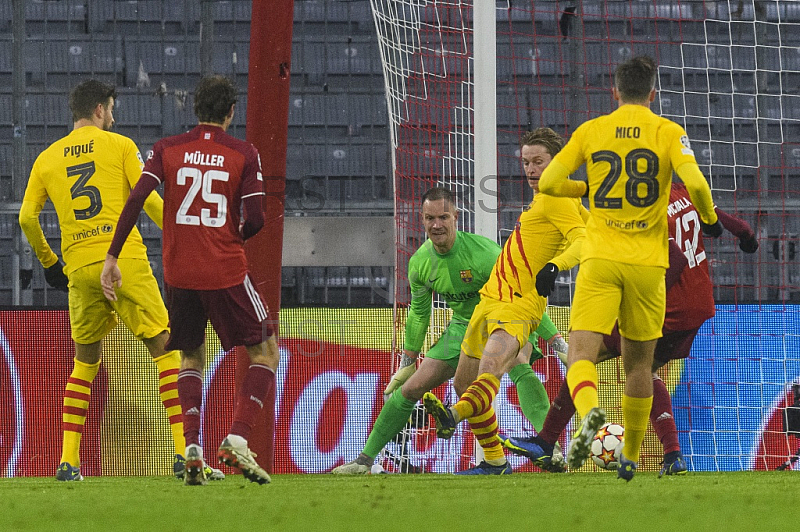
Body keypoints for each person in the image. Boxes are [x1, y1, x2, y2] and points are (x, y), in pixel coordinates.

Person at [17, 79, 222, 482]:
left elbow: (26, 217)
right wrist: (184, 234)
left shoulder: (46, 159)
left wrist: (49, 261)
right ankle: (183, 453)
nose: (113, 116)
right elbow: (146, 198)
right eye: (110, 109)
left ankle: (68, 461)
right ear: (98, 109)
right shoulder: (121, 146)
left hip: (78, 266)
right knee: (167, 350)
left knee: (84, 364)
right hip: (122, 259)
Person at [538, 55, 722, 481]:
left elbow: (548, 183)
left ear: (614, 91)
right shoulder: (668, 131)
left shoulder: (591, 131)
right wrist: (709, 220)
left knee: (581, 355)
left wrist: (588, 186)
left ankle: (590, 420)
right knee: (640, 368)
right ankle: (632, 455)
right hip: (648, 266)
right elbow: (695, 184)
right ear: (653, 93)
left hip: (602, 260)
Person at [504, 182, 759, 476]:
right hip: (699, 302)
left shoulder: (640, 204)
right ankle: (673, 455)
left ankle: (547, 441)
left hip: (667, 305)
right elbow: (722, 219)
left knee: (582, 357)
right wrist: (746, 235)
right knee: (644, 370)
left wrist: (646, 298)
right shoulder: (681, 189)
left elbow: (674, 257)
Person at [101, 75, 279, 486]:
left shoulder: (167, 149)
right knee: (266, 351)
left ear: (194, 109)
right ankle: (237, 436)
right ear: (231, 112)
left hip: (179, 272)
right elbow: (256, 219)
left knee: (190, 356)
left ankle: (193, 447)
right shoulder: (243, 152)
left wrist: (112, 255)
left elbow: (135, 198)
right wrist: (229, 235)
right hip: (224, 268)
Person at [331, 186, 568, 474]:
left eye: (443, 217)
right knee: (415, 387)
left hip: (507, 318)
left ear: (456, 217)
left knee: (517, 362)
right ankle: (364, 462)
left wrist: (555, 340)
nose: (436, 225)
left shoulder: (485, 255)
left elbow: (522, 292)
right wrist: (408, 362)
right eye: (430, 218)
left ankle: (550, 447)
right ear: (422, 219)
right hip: (462, 328)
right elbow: (419, 313)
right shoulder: (420, 263)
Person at [424, 128, 587, 475]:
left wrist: (557, 266)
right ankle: (495, 461)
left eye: (538, 162)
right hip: (490, 300)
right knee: (463, 384)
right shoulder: (548, 197)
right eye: (526, 162)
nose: (530, 169)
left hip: (518, 305)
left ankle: (453, 414)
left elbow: (583, 240)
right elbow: (595, 231)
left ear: (557, 162)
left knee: (492, 370)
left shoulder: (559, 200)